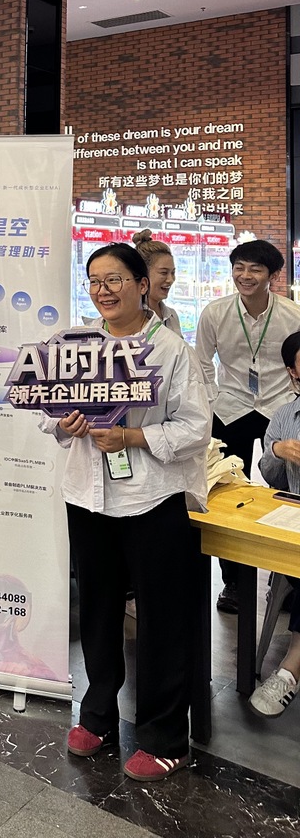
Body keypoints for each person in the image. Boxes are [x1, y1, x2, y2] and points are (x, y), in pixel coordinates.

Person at [43, 242, 210, 783]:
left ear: (142, 285)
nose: (103, 290)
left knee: (162, 618)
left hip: (152, 499)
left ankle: (165, 736)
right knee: (98, 609)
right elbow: (46, 411)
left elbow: (195, 428)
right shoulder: (73, 344)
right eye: (94, 280)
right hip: (88, 496)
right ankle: (98, 715)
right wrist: (63, 422)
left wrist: (133, 436)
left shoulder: (171, 350)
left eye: (114, 279)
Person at [195, 239, 300, 614]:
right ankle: (234, 582)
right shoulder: (215, 312)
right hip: (231, 406)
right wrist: (211, 401)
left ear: (274, 275)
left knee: (285, 489)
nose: (245, 275)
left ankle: (285, 579)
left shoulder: (292, 314)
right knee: (225, 490)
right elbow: (202, 361)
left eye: (255, 268)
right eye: (239, 267)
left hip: (279, 405)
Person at [249, 330, 300, 717]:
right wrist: (277, 451)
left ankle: (289, 670)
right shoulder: (284, 416)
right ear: (292, 371)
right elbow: (271, 478)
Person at [132, 230, 181, 335]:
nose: (170, 279)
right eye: (164, 273)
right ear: (143, 274)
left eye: (173, 273)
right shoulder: (130, 319)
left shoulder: (172, 316)